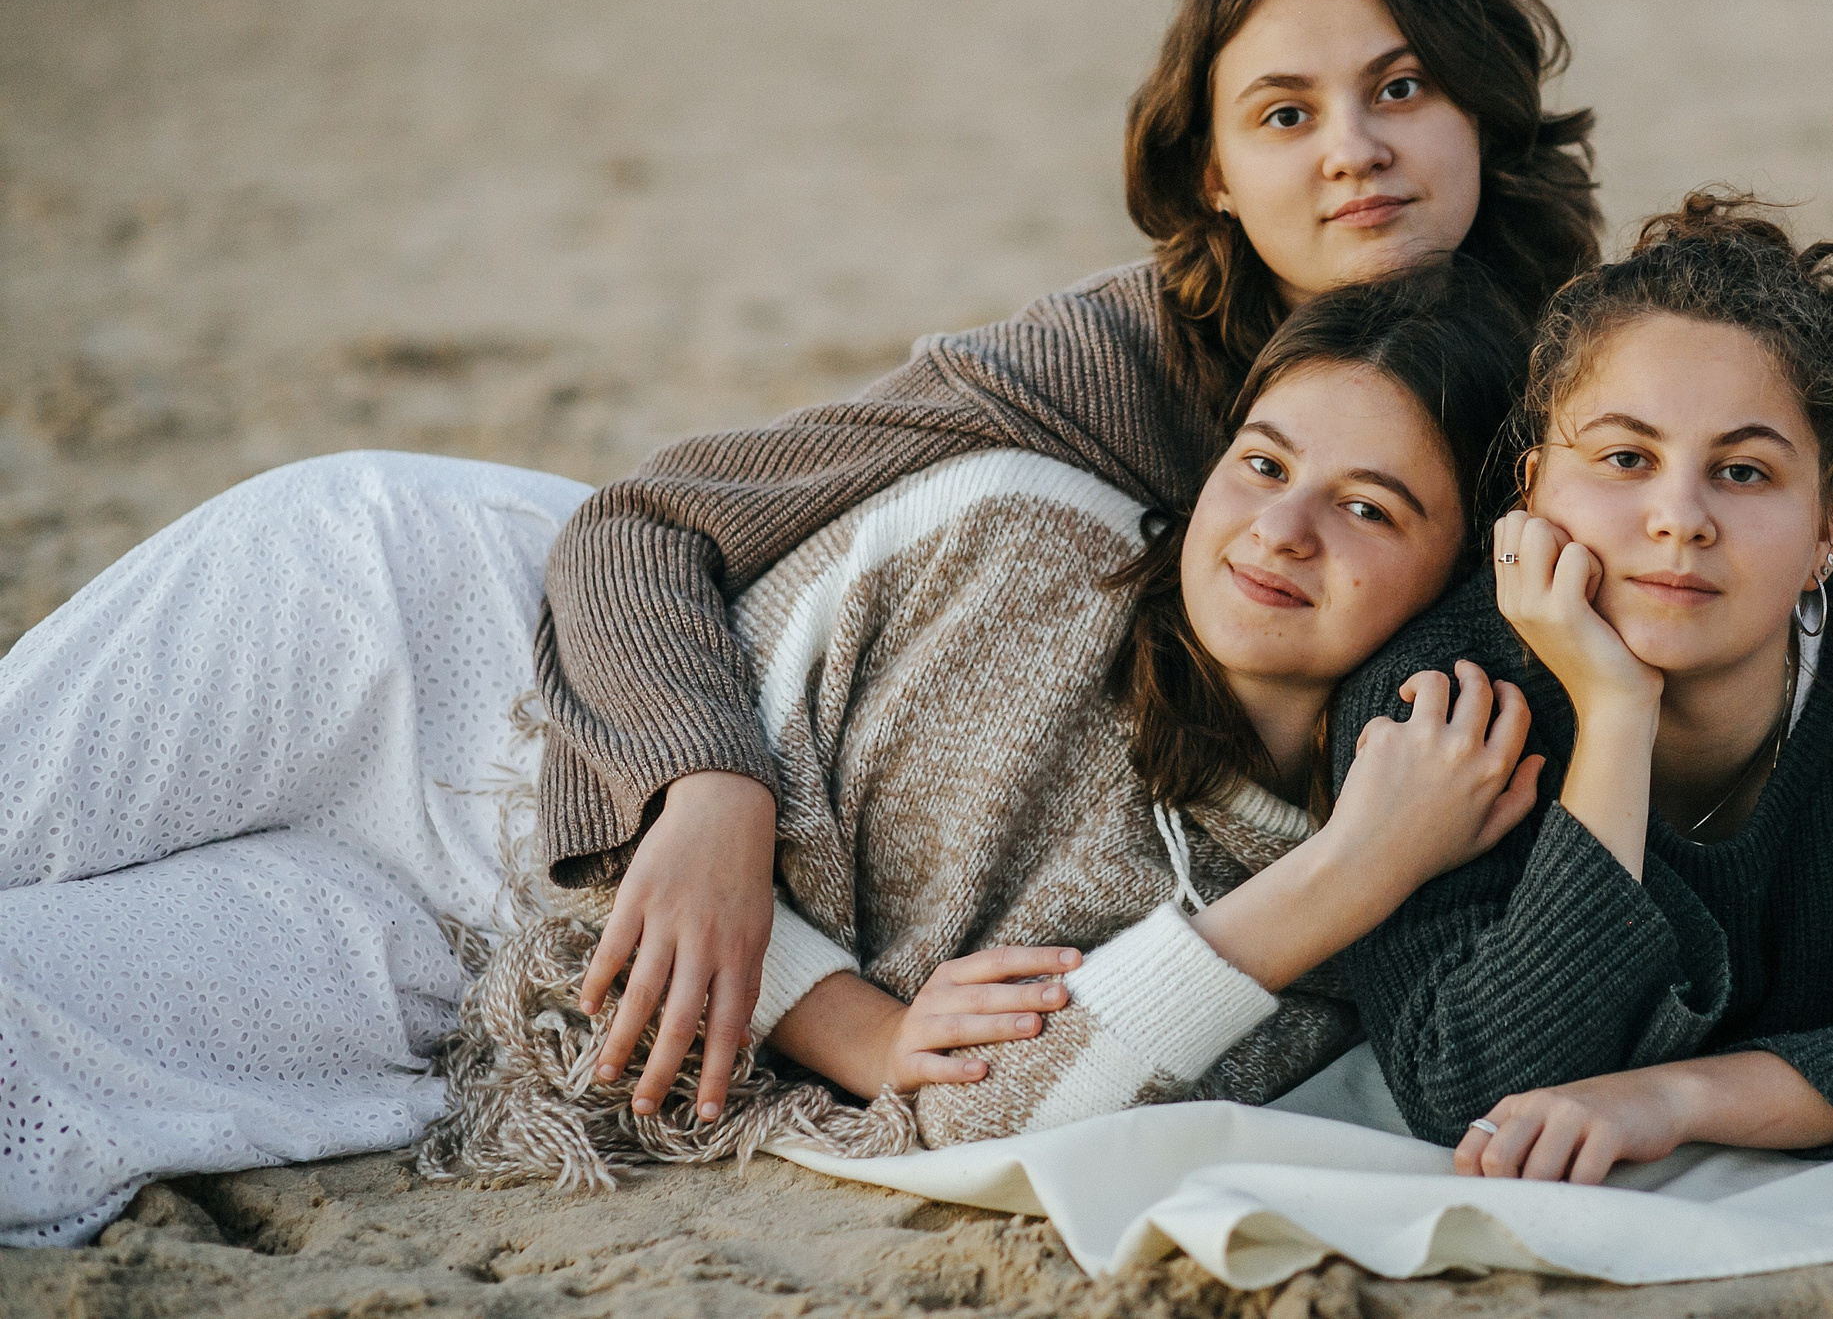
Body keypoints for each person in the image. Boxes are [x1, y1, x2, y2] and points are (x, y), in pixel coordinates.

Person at [538, 0, 1600, 1127]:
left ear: (1481, 109)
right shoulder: (1108, 360)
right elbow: (642, 525)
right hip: (695, 673)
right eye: (1283, 114)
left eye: (1402, 88)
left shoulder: (1583, 386)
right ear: (1212, 172)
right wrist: (707, 788)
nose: (1352, 148)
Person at [426, 265, 1543, 1179]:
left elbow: (987, 1115)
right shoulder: (1021, 547)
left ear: (1461, 581)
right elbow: (652, 862)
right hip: (464, 662)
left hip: (452, 927)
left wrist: (1352, 870)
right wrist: (861, 1029)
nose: (1282, 529)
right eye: (1261, 464)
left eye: (1365, 508)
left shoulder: (1384, 853)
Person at [1326, 191, 1833, 1186]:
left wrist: (1677, 1097)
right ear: (1531, 487)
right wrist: (1616, 713)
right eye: (1624, 458)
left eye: (1742, 473)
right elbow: (1472, 1088)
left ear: (1826, 530)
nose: (1679, 518)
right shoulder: (1439, 699)